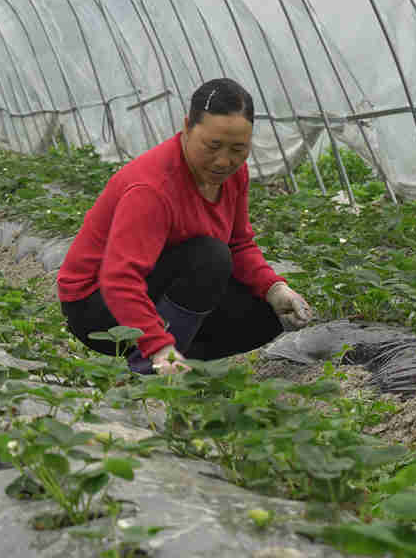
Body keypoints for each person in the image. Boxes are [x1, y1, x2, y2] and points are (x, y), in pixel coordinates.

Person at [58, 77, 315, 375]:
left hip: (161, 283)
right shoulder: (152, 188)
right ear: (187, 128)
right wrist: (158, 347)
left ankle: (182, 367)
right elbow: (120, 279)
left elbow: (239, 243)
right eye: (213, 145)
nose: (224, 161)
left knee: (265, 315)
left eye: (238, 148)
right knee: (209, 256)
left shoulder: (234, 175)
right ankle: (151, 367)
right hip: (96, 305)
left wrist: (275, 289)